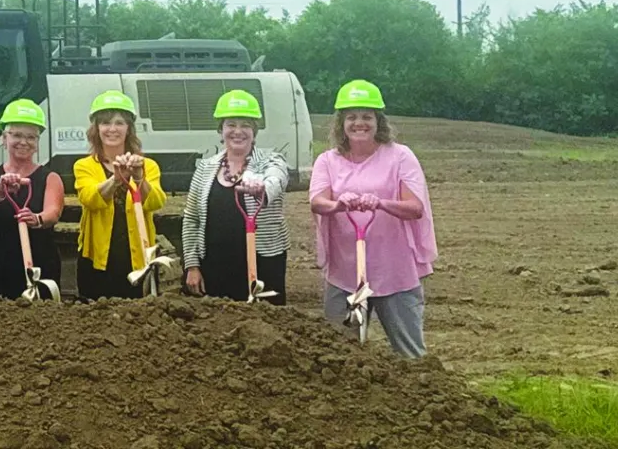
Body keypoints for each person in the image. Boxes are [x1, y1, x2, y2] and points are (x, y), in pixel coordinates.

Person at [309, 79, 437, 359]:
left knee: (410, 354)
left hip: (395, 272)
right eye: (351, 117)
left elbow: (415, 207)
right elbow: (318, 202)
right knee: (339, 351)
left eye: (367, 116)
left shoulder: (400, 156)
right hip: (345, 272)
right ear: (341, 123)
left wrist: (380, 203)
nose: (359, 123)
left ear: (378, 121)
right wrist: (338, 205)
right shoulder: (327, 161)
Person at [181, 89, 291, 304]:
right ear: (221, 129)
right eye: (231, 124)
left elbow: (276, 180)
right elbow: (191, 218)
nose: (238, 131)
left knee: (266, 320)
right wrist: (192, 265)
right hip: (215, 264)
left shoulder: (271, 160)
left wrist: (261, 188)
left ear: (254, 131)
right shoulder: (205, 167)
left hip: (264, 263)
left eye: (245, 125)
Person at [72, 90, 167, 300]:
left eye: (119, 123)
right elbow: (90, 199)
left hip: (137, 259)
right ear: (96, 128)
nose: (112, 129)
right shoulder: (84, 166)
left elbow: (155, 202)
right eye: (105, 123)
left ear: (128, 128)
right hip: (96, 260)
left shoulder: (148, 166)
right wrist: (116, 179)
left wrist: (139, 178)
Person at [0, 98, 64, 300]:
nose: (24, 142)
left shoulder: (50, 178)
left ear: (37, 143)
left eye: (31, 137)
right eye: (16, 135)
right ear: (4, 139)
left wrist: (37, 219)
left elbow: (53, 212)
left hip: (41, 262)